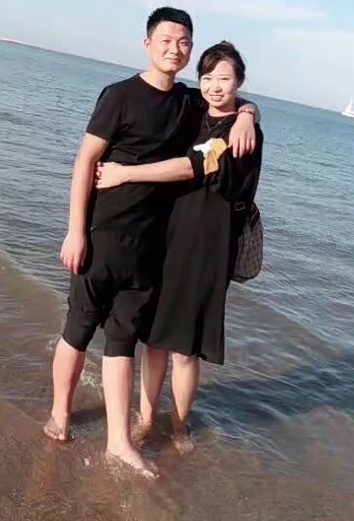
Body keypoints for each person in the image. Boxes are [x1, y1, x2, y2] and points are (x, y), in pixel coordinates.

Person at [45, 8, 258, 478]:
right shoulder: (119, 95)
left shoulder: (188, 102)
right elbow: (85, 161)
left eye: (183, 42)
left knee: (123, 340)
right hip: (102, 234)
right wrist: (75, 230)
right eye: (166, 40)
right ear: (148, 43)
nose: (174, 49)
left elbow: (226, 100)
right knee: (79, 328)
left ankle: (119, 442)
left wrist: (248, 113)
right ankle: (60, 413)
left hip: (150, 245)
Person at [95, 41, 263, 453]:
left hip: (207, 246)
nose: (215, 86)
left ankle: (178, 426)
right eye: (207, 77)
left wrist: (123, 174)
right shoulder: (193, 111)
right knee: (153, 338)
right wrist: (249, 108)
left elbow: (191, 167)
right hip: (165, 235)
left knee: (185, 349)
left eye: (225, 78)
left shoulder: (242, 134)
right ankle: (146, 417)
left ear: (239, 81)